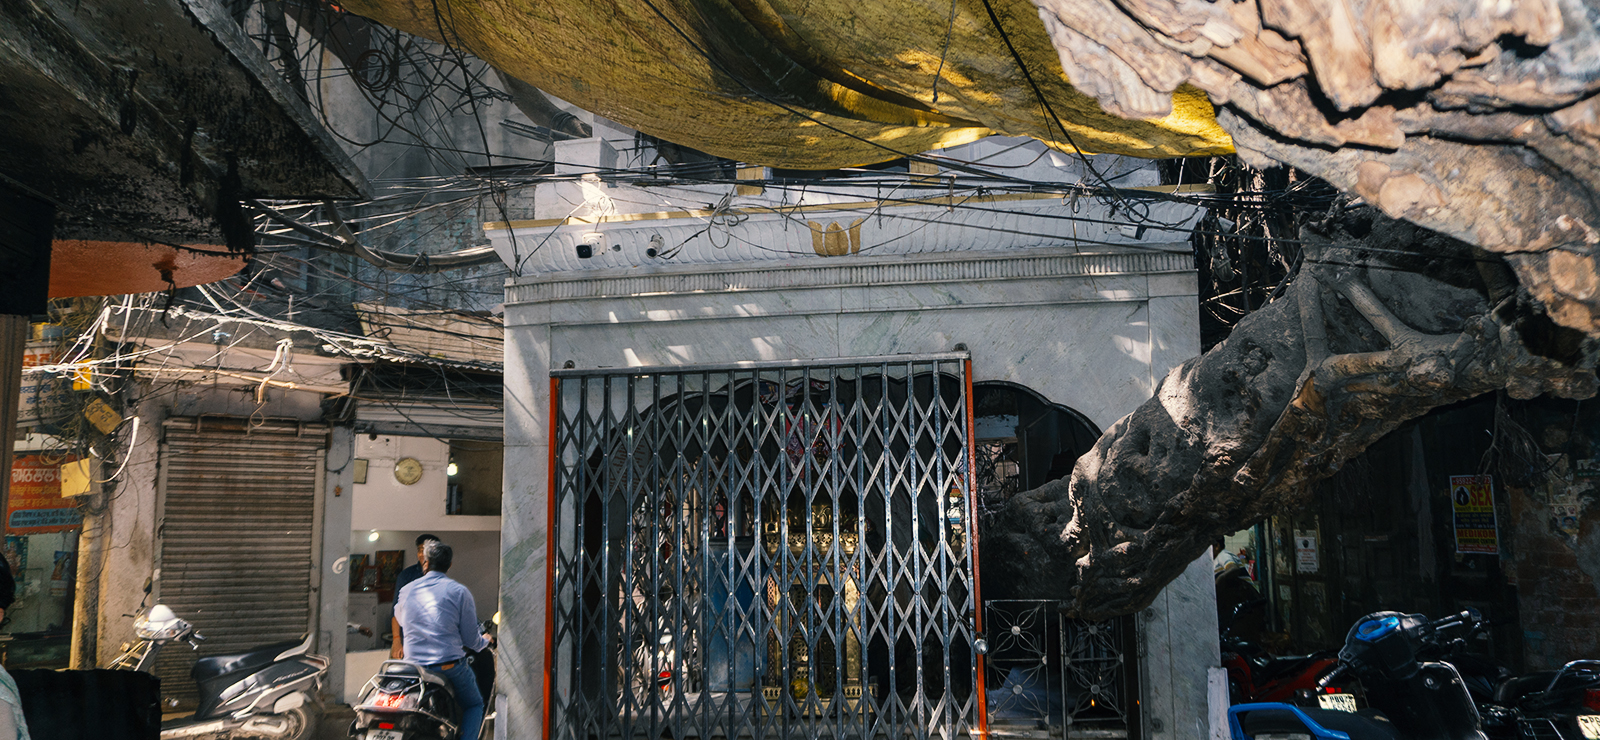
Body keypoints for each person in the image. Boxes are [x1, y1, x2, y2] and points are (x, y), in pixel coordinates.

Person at [395, 541, 491, 737]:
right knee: (474, 704)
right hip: (448, 667)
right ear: (449, 565)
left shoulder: (407, 590)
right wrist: (485, 640)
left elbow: (401, 619)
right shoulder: (459, 592)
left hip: (413, 669)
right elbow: (471, 640)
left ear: (426, 563)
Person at [390, 534, 439, 659]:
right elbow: (396, 611)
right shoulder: (407, 576)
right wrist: (396, 640)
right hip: (408, 641)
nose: (422, 554)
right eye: (420, 550)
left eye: (426, 550)